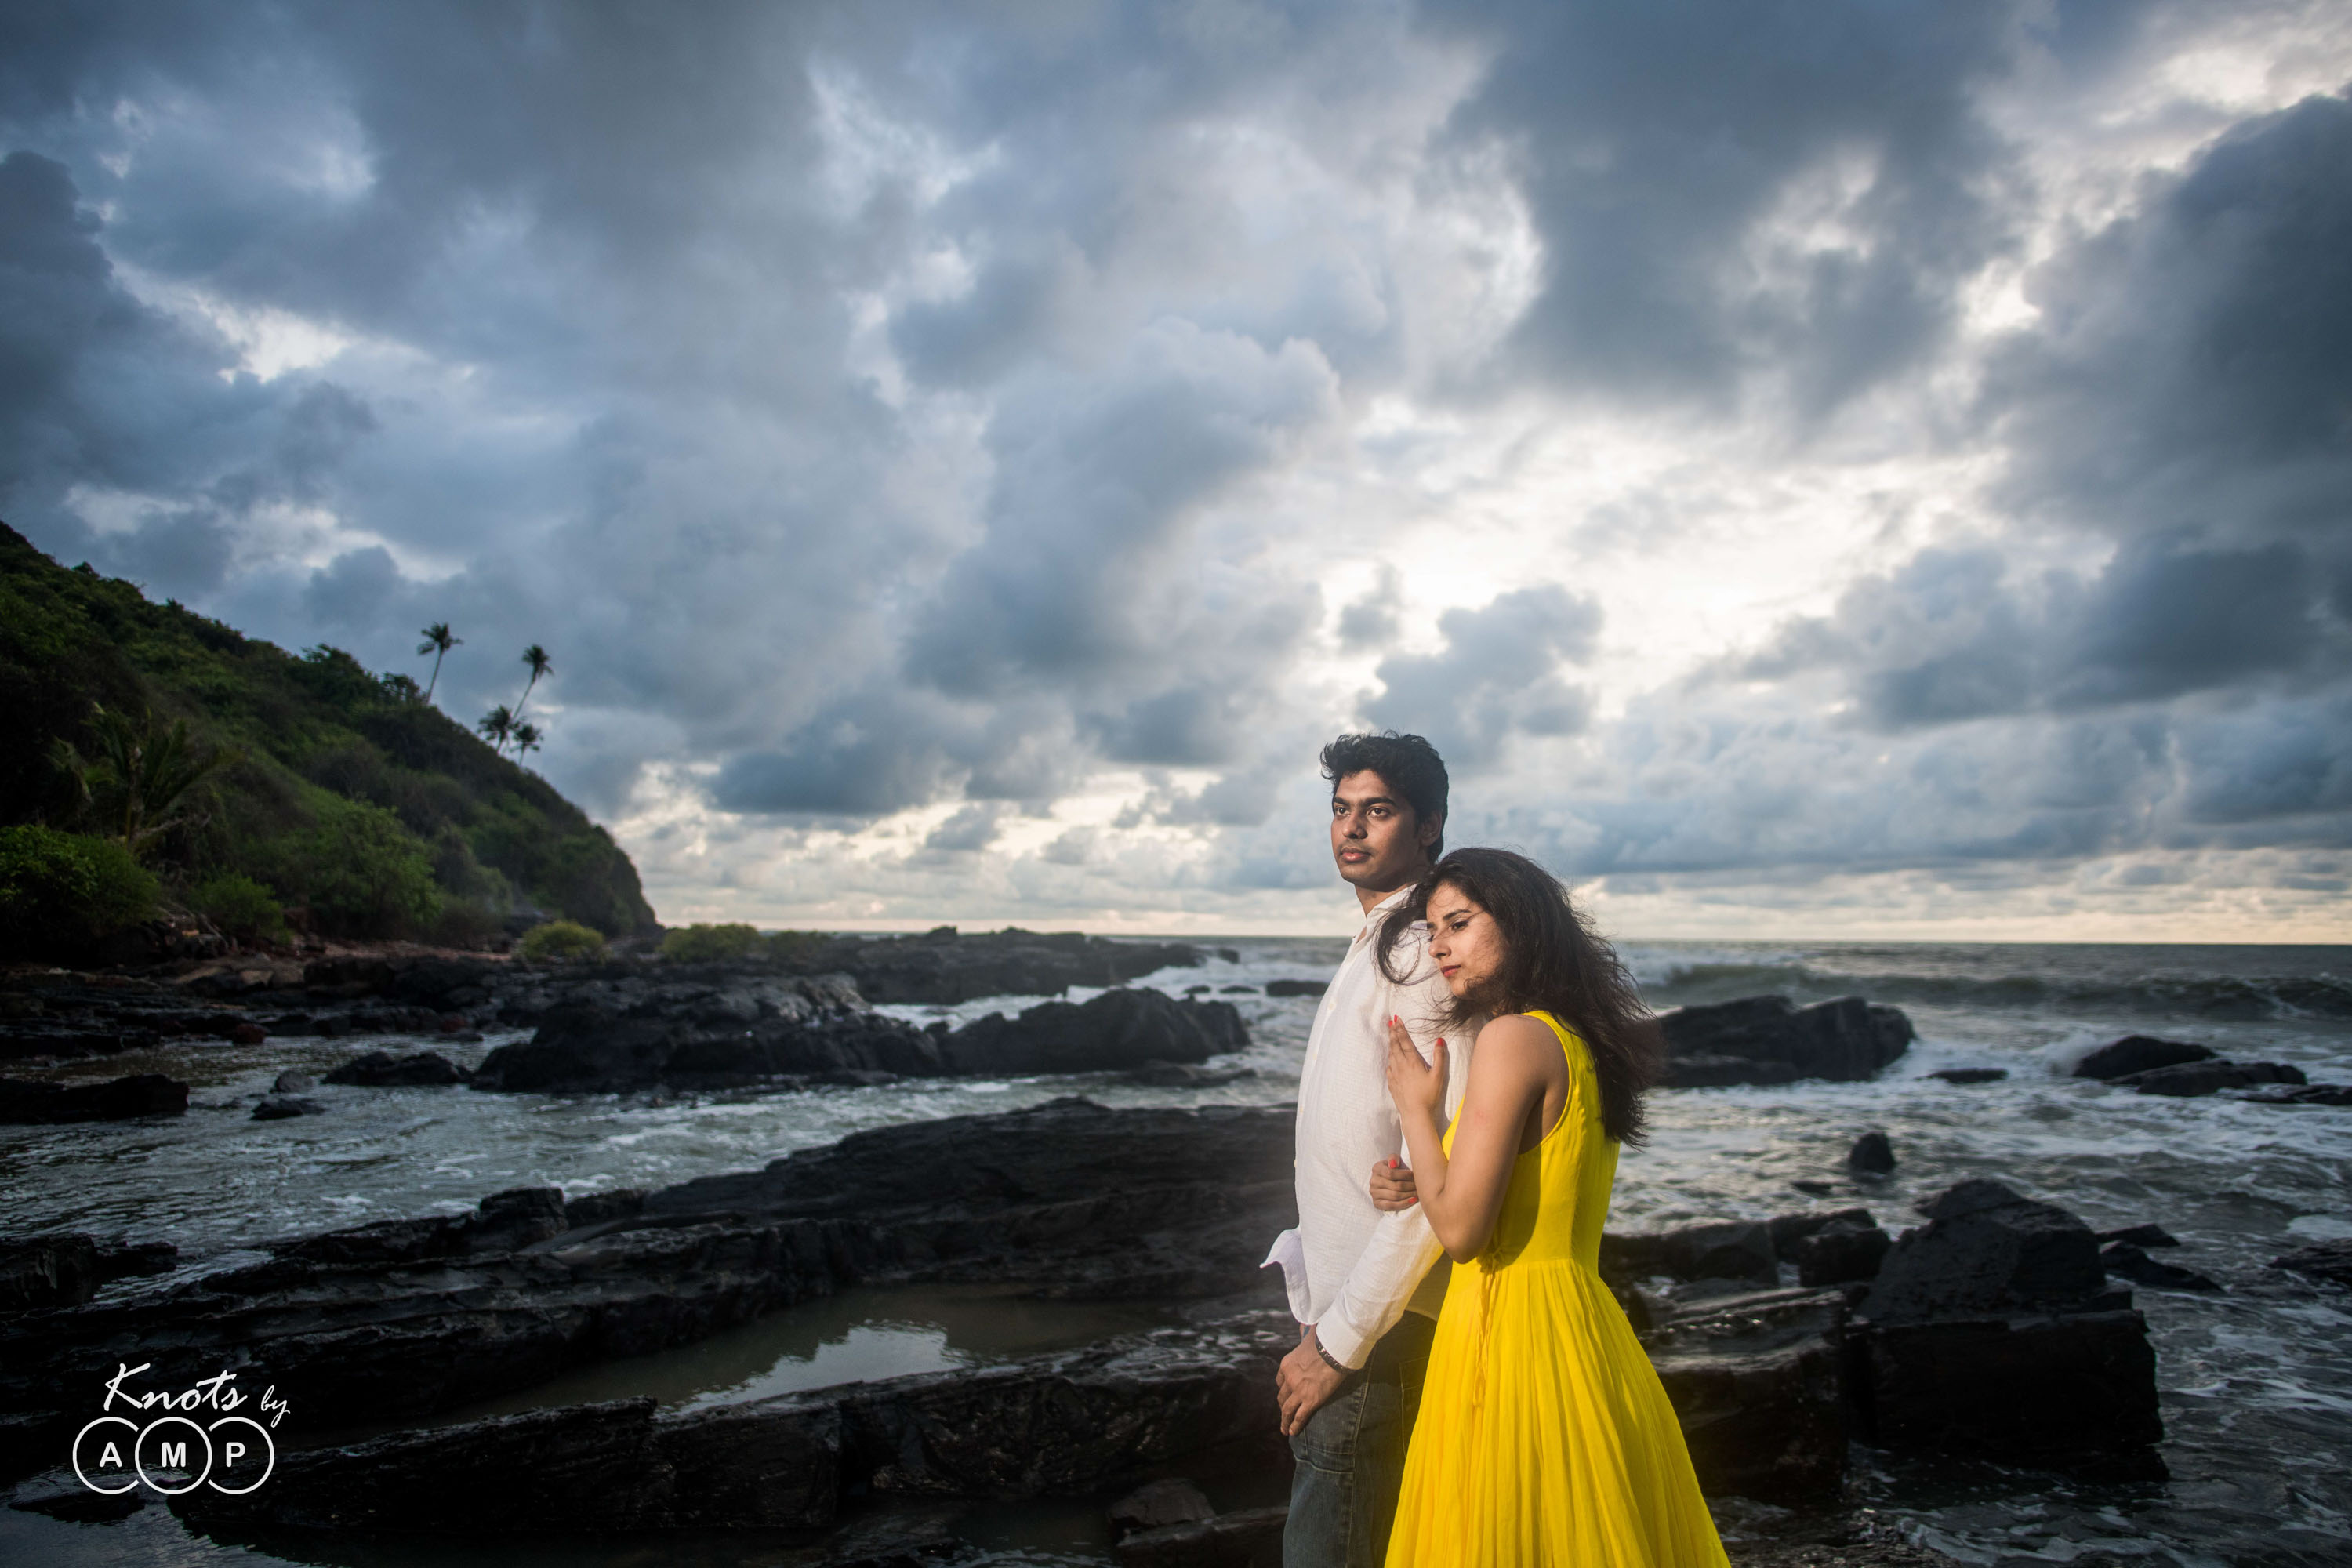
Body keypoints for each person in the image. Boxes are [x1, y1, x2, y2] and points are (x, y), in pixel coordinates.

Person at [1369, 848, 1729, 1568]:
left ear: (1523, 924)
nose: (1439, 944)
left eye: (1460, 922)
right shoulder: (1580, 1041)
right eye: (1433, 928)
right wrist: (1432, 1161)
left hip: (1511, 1336)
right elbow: (1525, 1187)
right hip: (1584, 1326)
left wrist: (1415, 1111)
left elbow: (1465, 1232)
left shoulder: (1512, 1038)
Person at [1265, 731, 1468, 1568]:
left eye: (1377, 810)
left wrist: (1336, 1345)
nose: (1352, 828)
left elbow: (1439, 1178)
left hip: (1375, 1339)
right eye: (1342, 809)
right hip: (1349, 1317)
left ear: (1429, 825)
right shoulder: (1380, 939)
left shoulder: (1421, 952)